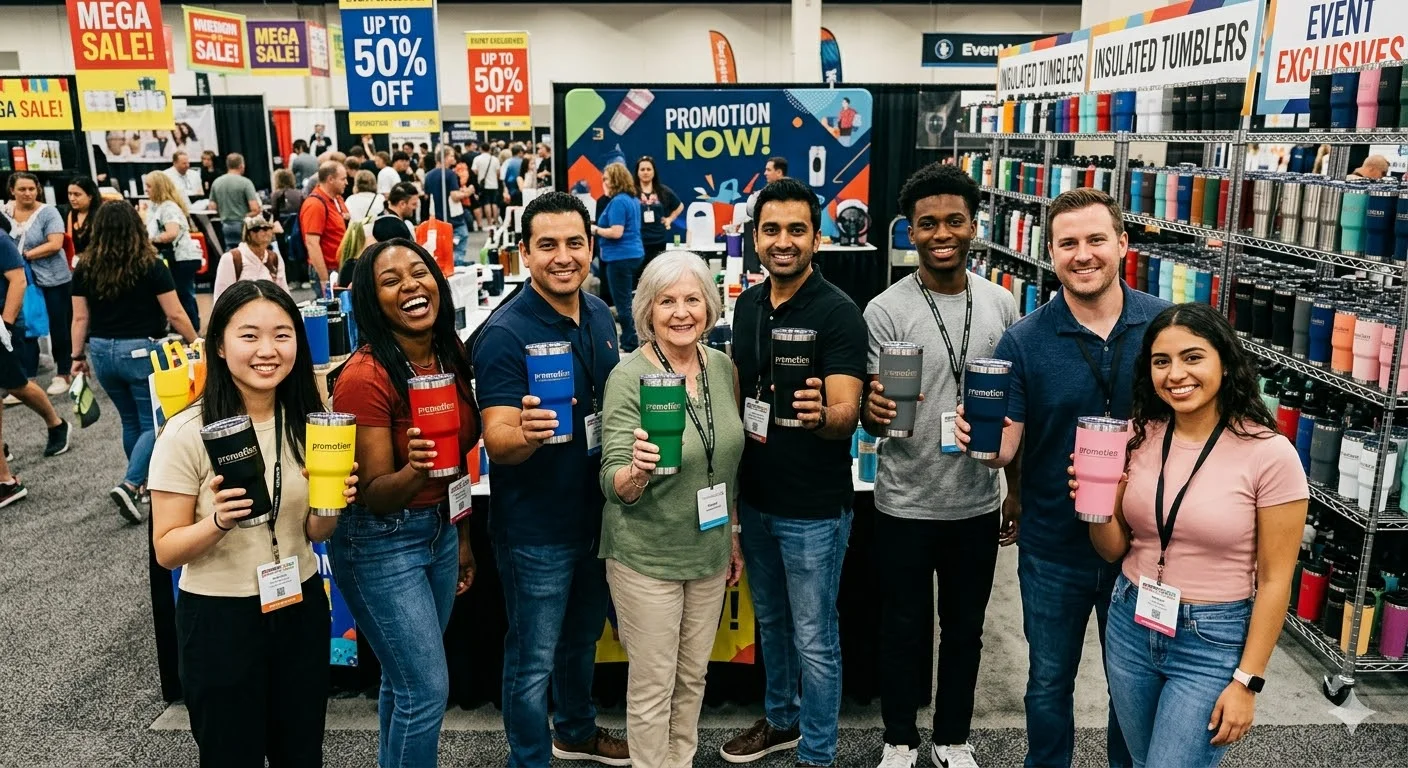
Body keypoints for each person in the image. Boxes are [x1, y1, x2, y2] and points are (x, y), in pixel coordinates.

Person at [954, 187, 1169, 768]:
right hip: (1054, 547)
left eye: (1096, 239)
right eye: (1067, 243)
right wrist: (981, 437)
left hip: (1145, 547)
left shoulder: (1164, 329)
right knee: (1049, 683)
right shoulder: (1024, 340)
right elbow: (1004, 448)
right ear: (1050, 252)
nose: (1083, 254)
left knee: (1136, 685)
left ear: (1122, 243)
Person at [1074, 303, 1308, 767]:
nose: (1176, 373)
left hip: (1212, 637)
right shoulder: (1139, 436)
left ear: (1225, 360)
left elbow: (1277, 581)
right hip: (1130, 620)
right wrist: (1096, 503)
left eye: (1192, 357)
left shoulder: (1270, 454)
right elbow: (1115, 549)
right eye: (1162, 361)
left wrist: (1248, 681)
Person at [150, 280, 356, 767]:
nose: (268, 350)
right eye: (249, 336)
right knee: (230, 757)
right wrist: (219, 520)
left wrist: (331, 505)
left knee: (302, 753)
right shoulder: (186, 433)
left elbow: (313, 533)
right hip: (221, 621)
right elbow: (167, 549)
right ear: (218, 346)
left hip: (300, 606)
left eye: (282, 335)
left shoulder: (311, 419)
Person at [864, 164, 1018, 768]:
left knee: (965, 631)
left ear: (974, 225)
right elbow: (874, 414)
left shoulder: (1002, 305)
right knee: (901, 628)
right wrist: (872, 415)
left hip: (976, 500)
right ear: (910, 231)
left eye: (954, 220)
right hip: (902, 499)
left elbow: (1016, 410)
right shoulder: (885, 309)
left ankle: (953, 737)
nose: (942, 233)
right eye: (927, 223)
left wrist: (1016, 490)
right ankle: (899, 739)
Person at [472, 191, 628, 767]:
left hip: (597, 515)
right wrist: (528, 433)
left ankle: (577, 731)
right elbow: (498, 441)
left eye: (574, 243)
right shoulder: (505, 334)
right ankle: (530, 759)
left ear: (590, 246)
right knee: (533, 655)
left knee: (582, 639)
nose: (563, 257)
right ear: (524, 253)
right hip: (536, 527)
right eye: (547, 245)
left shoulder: (599, 314)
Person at [720, 177, 866, 767]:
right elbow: (738, 387)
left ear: (818, 237)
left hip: (813, 509)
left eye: (796, 230)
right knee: (773, 625)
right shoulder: (747, 303)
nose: (783, 242)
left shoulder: (838, 313)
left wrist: (822, 415)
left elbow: (847, 413)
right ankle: (781, 720)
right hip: (755, 500)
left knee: (815, 638)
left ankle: (819, 751)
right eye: (772, 229)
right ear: (755, 238)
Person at [329, 239, 481, 767]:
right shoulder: (364, 377)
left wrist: (460, 536)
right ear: (372, 301)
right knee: (425, 690)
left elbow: (459, 456)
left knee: (405, 683)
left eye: (420, 273)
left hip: (439, 531)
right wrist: (415, 467)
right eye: (390, 281)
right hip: (380, 542)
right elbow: (373, 495)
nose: (412, 286)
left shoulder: (449, 354)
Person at [599, 251, 745, 768]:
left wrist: (731, 535)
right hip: (646, 556)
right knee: (653, 685)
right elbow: (612, 482)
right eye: (667, 301)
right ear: (648, 311)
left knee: (692, 678)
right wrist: (636, 470)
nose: (681, 312)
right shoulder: (628, 376)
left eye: (692, 299)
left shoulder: (722, 367)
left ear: (709, 306)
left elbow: (724, 464)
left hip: (707, 552)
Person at [70, 202, 198, 522]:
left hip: (100, 351)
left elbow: (79, 318)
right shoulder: (151, 265)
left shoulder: (84, 267)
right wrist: (195, 341)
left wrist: (76, 357)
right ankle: (130, 485)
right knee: (154, 423)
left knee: (130, 422)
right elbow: (175, 313)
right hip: (141, 350)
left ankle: (139, 486)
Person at [7, 171, 74, 396]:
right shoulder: (6, 213)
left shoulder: (48, 212)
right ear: (12, 191)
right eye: (22, 189)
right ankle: (29, 377)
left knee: (58, 325)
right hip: (22, 281)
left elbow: (55, 243)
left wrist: (24, 255)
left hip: (53, 279)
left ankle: (63, 372)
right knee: (27, 327)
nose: (27, 193)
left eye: (31, 189)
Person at [591, 162, 645, 352]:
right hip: (632, 254)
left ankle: (630, 343)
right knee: (629, 301)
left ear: (614, 179)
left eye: (605, 178)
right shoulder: (632, 200)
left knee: (622, 303)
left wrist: (595, 229)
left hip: (620, 257)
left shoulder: (618, 202)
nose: (603, 182)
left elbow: (616, 232)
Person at [145, 171, 202, 332]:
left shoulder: (168, 208)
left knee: (183, 295)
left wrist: (151, 240)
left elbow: (172, 232)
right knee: (183, 294)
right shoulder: (159, 207)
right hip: (177, 258)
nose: (146, 190)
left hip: (181, 258)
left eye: (149, 186)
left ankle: (190, 329)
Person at [213, 216, 289, 305]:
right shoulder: (231, 258)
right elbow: (221, 297)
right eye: (256, 229)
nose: (263, 232)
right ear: (248, 234)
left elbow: (284, 293)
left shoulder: (275, 258)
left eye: (267, 228)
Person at [301, 161, 351, 296]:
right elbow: (312, 244)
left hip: (338, 267)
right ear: (330, 179)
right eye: (343, 179)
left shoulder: (337, 199)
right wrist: (324, 280)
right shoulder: (315, 205)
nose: (346, 183)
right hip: (327, 270)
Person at [634, 156, 683, 270]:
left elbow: (680, 206)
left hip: (658, 241)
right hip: (638, 242)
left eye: (649, 169)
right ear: (637, 172)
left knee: (657, 273)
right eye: (642, 169)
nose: (645, 172)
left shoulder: (663, 190)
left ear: (654, 172)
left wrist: (670, 219)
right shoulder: (632, 192)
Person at [424, 148, 471, 265]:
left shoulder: (428, 175)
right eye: (451, 156)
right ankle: (456, 264)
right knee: (461, 238)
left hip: (437, 217)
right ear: (444, 157)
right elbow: (454, 196)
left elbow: (427, 196)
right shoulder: (450, 174)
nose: (453, 159)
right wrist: (467, 192)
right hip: (453, 218)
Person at [210, 153, 262, 251]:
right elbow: (254, 209)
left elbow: (212, 207)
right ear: (241, 165)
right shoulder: (246, 183)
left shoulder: (216, 182)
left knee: (231, 255)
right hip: (242, 225)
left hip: (225, 225)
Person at [270, 169, 308, 288]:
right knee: (300, 252)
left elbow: (274, 211)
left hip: (282, 228)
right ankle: (304, 279)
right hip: (298, 227)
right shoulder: (299, 193)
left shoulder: (276, 194)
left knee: (285, 254)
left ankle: (292, 280)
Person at [65, 176, 103, 261]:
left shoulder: (100, 214)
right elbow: (70, 244)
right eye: (69, 194)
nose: (72, 198)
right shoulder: (71, 214)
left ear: (90, 196)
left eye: (77, 195)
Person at [472, 143, 501, 228]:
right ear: (489, 149)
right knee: (494, 203)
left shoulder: (477, 159)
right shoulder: (495, 159)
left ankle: (489, 222)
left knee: (486, 203)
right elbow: (498, 172)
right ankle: (495, 221)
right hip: (494, 184)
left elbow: (474, 170)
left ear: (481, 149)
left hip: (483, 185)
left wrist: (481, 175)